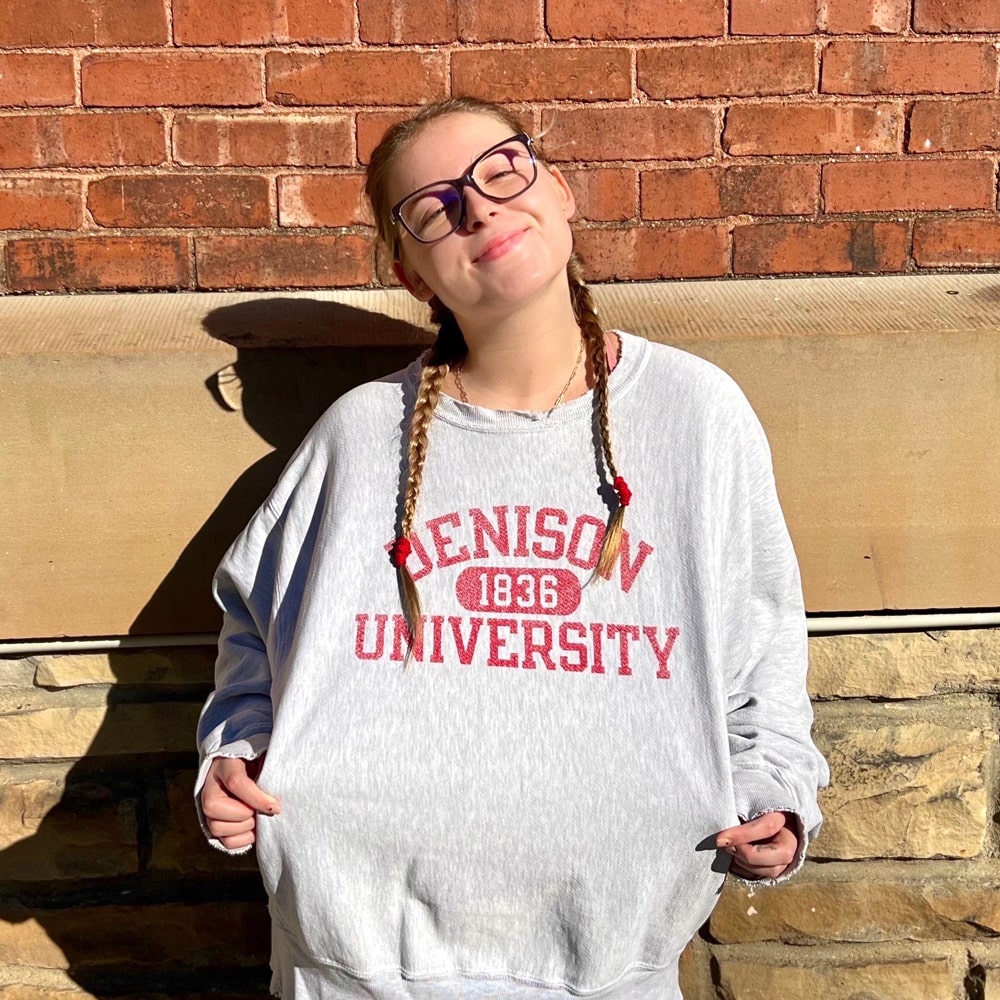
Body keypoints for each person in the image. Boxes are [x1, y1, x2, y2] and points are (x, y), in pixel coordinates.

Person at [196, 97, 829, 1000]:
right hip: (358, 968)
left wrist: (775, 788)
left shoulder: (697, 415)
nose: (480, 209)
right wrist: (235, 752)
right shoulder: (359, 436)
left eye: (501, 171)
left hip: (610, 961)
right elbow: (254, 630)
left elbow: (762, 645)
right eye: (435, 209)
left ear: (561, 192)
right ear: (412, 274)